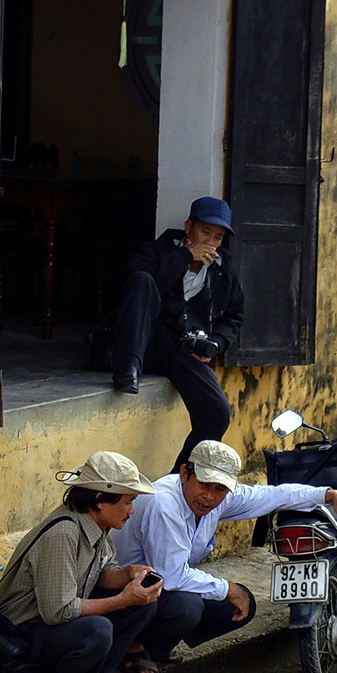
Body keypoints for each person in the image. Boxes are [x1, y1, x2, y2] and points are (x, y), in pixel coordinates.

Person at [111, 440, 337, 669]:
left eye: (220, 489)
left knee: (241, 606)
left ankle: (155, 648)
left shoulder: (217, 500)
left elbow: (270, 496)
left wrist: (325, 494)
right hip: (119, 592)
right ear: (185, 474)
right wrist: (228, 587)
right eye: (204, 485)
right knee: (187, 606)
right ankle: (131, 647)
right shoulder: (165, 504)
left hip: (157, 587)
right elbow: (173, 576)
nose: (209, 496)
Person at [0, 451, 163, 673]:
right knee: (97, 630)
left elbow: (103, 573)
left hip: (49, 626)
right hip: (21, 631)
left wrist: (130, 574)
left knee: (142, 607)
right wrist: (122, 599)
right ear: (99, 501)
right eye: (128, 502)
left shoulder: (98, 525)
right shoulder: (64, 532)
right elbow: (58, 611)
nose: (132, 511)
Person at [111, 196, 244, 472]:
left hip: (184, 348)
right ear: (188, 227)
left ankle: (180, 481)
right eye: (205, 231)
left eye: (218, 236)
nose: (210, 241)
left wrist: (216, 344)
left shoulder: (224, 267)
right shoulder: (157, 250)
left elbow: (234, 315)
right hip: (146, 341)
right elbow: (136, 286)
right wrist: (184, 257)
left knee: (217, 411)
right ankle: (127, 368)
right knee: (143, 279)